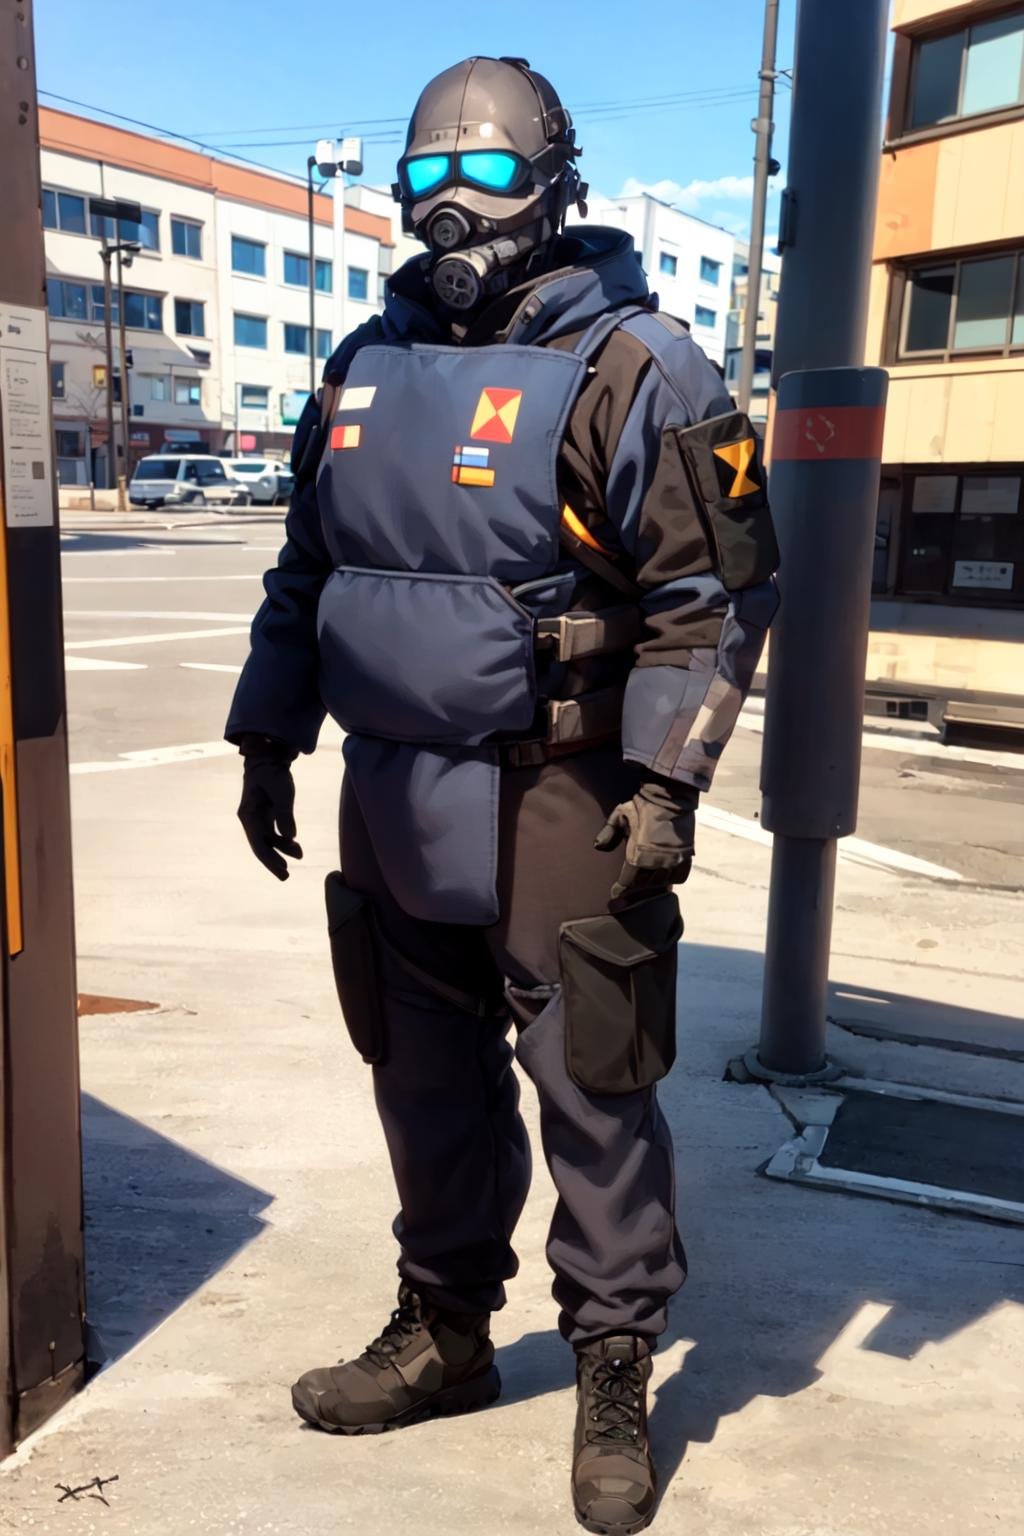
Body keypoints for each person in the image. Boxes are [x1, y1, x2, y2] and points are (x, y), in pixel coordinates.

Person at [227, 55, 778, 1534]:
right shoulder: (360, 364)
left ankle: (612, 1363)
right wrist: (267, 736)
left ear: (556, 181)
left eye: (480, 172)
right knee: (420, 1077)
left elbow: (716, 597)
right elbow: (308, 571)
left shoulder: (640, 367)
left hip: (561, 793)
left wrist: (669, 779)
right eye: (420, 179)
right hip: (391, 788)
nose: (449, 205)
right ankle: (446, 1331)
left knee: (594, 1088)